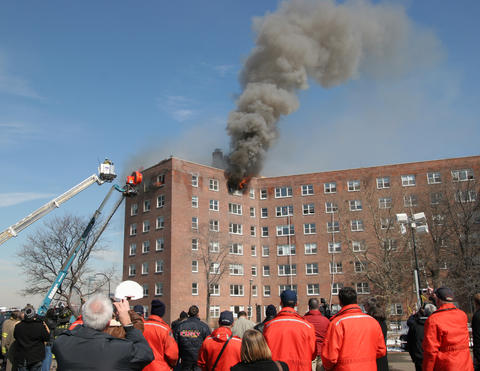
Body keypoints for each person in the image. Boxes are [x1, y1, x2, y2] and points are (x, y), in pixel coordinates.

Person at [52, 294, 154, 370]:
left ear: (84, 316)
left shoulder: (62, 342)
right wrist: (128, 323)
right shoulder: (120, 349)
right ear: (109, 322)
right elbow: (146, 353)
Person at [321, 287, 386, 371]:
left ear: (340, 302)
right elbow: (381, 350)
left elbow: (330, 357)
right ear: (356, 300)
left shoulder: (337, 323)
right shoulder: (372, 321)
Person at [422, 287, 473, 371]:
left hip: (446, 364)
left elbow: (430, 351)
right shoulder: (462, 315)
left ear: (437, 300)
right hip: (465, 363)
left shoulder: (434, 319)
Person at [263, 290, 316, 371]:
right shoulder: (307, 326)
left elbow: (263, 353)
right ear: (296, 304)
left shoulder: (269, 326)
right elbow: (313, 353)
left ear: (281, 303)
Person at [143, 300, 179, 371]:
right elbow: (172, 354)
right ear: (162, 313)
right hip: (160, 367)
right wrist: (173, 364)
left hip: (143, 366)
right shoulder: (165, 329)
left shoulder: (141, 327)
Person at [13, 305, 50, 371]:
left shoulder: (18, 326)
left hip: (22, 357)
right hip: (36, 357)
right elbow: (47, 338)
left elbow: (16, 337)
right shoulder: (39, 326)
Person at [174, 305, 210, 370]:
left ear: (188, 314)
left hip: (184, 362)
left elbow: (175, 346)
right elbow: (208, 346)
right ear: (198, 314)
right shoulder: (204, 326)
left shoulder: (180, 326)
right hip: (199, 362)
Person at [407, 303, 436, 371]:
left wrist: (414, 356)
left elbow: (409, 342)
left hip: (419, 357)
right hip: (429, 357)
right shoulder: (435, 324)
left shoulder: (415, 324)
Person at [303, 298, 330, 371]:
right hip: (322, 352)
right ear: (318, 307)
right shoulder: (326, 321)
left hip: (309, 353)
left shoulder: (303, 320)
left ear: (309, 306)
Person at [364, 297, 389, 371]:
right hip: (382, 356)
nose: (364, 307)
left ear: (369, 306)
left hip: (373, 356)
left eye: (364, 305)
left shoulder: (371, 321)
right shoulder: (381, 319)